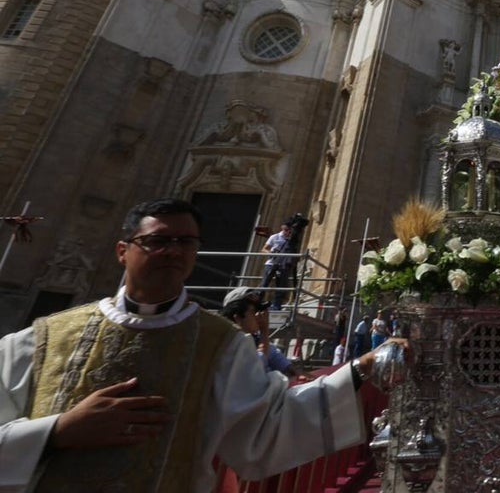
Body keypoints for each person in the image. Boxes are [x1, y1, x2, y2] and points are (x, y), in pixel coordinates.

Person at [0, 198, 406, 492]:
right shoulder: (41, 339)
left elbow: (267, 430)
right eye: (158, 242)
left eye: (186, 242)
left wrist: (359, 368)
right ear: (123, 251)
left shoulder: (221, 345)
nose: (174, 251)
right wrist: (58, 430)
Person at [221, 286, 301, 378]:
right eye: (253, 311)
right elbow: (256, 368)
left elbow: (274, 355)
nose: (258, 316)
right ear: (238, 317)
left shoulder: (255, 338)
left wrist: (291, 369)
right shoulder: (229, 343)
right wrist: (264, 330)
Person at [261, 222, 294, 310]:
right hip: (272, 263)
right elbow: (264, 249)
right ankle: (258, 302)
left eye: (289, 230)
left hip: (283, 265)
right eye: (286, 230)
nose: (287, 232)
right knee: (264, 284)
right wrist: (271, 253)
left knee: (281, 286)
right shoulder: (274, 237)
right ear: (282, 228)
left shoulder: (291, 240)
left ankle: (276, 306)